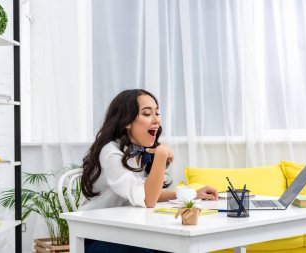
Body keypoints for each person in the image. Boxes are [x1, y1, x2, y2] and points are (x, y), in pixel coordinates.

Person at [80, 89, 218, 253]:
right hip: (97, 235)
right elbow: (148, 200)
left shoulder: (139, 150)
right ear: (126, 121)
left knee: (176, 247)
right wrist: (161, 155)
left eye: (157, 113)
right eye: (147, 114)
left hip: (128, 231)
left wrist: (194, 194)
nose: (156, 120)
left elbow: (145, 193)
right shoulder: (111, 153)